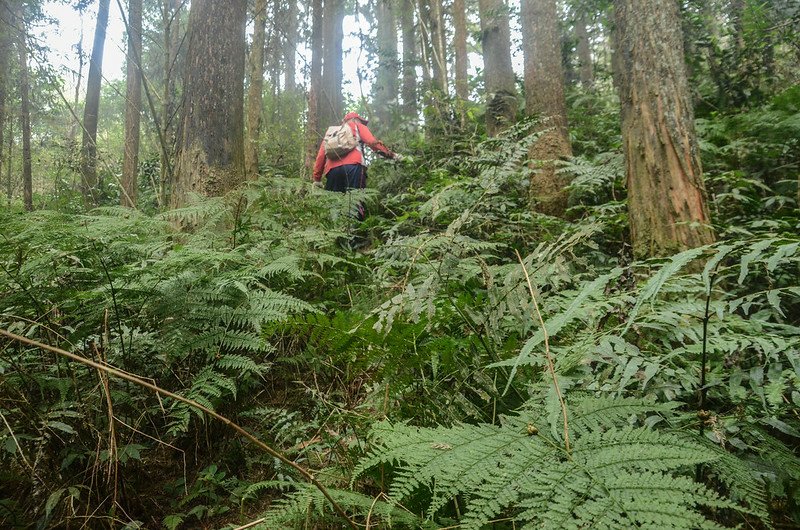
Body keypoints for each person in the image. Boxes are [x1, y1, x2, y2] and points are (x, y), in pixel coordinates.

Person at [312, 112, 403, 195]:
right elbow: (372, 142)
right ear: (356, 119)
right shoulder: (357, 126)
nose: (362, 123)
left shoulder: (332, 133)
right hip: (354, 166)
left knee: (335, 205)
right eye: (361, 121)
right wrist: (392, 155)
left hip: (332, 170)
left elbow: (321, 155)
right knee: (356, 202)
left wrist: (317, 179)